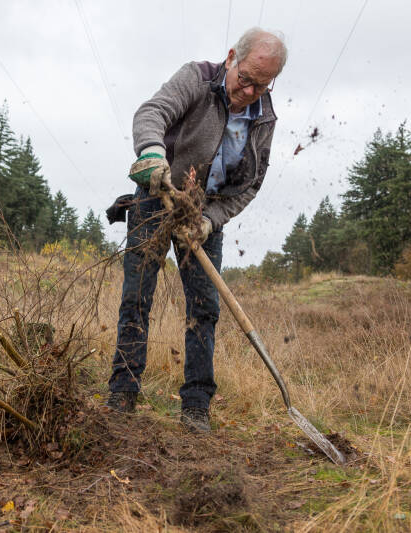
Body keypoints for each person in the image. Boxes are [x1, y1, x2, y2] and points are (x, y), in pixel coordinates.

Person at [106, 28, 287, 432]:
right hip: (158, 193)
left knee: (204, 309)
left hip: (202, 215)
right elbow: (152, 113)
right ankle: (123, 393)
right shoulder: (197, 78)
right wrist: (152, 152)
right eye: (246, 79)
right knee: (137, 298)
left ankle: (196, 406)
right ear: (231, 59)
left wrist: (210, 221)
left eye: (262, 85)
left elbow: (250, 185)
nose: (250, 91)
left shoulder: (265, 118)